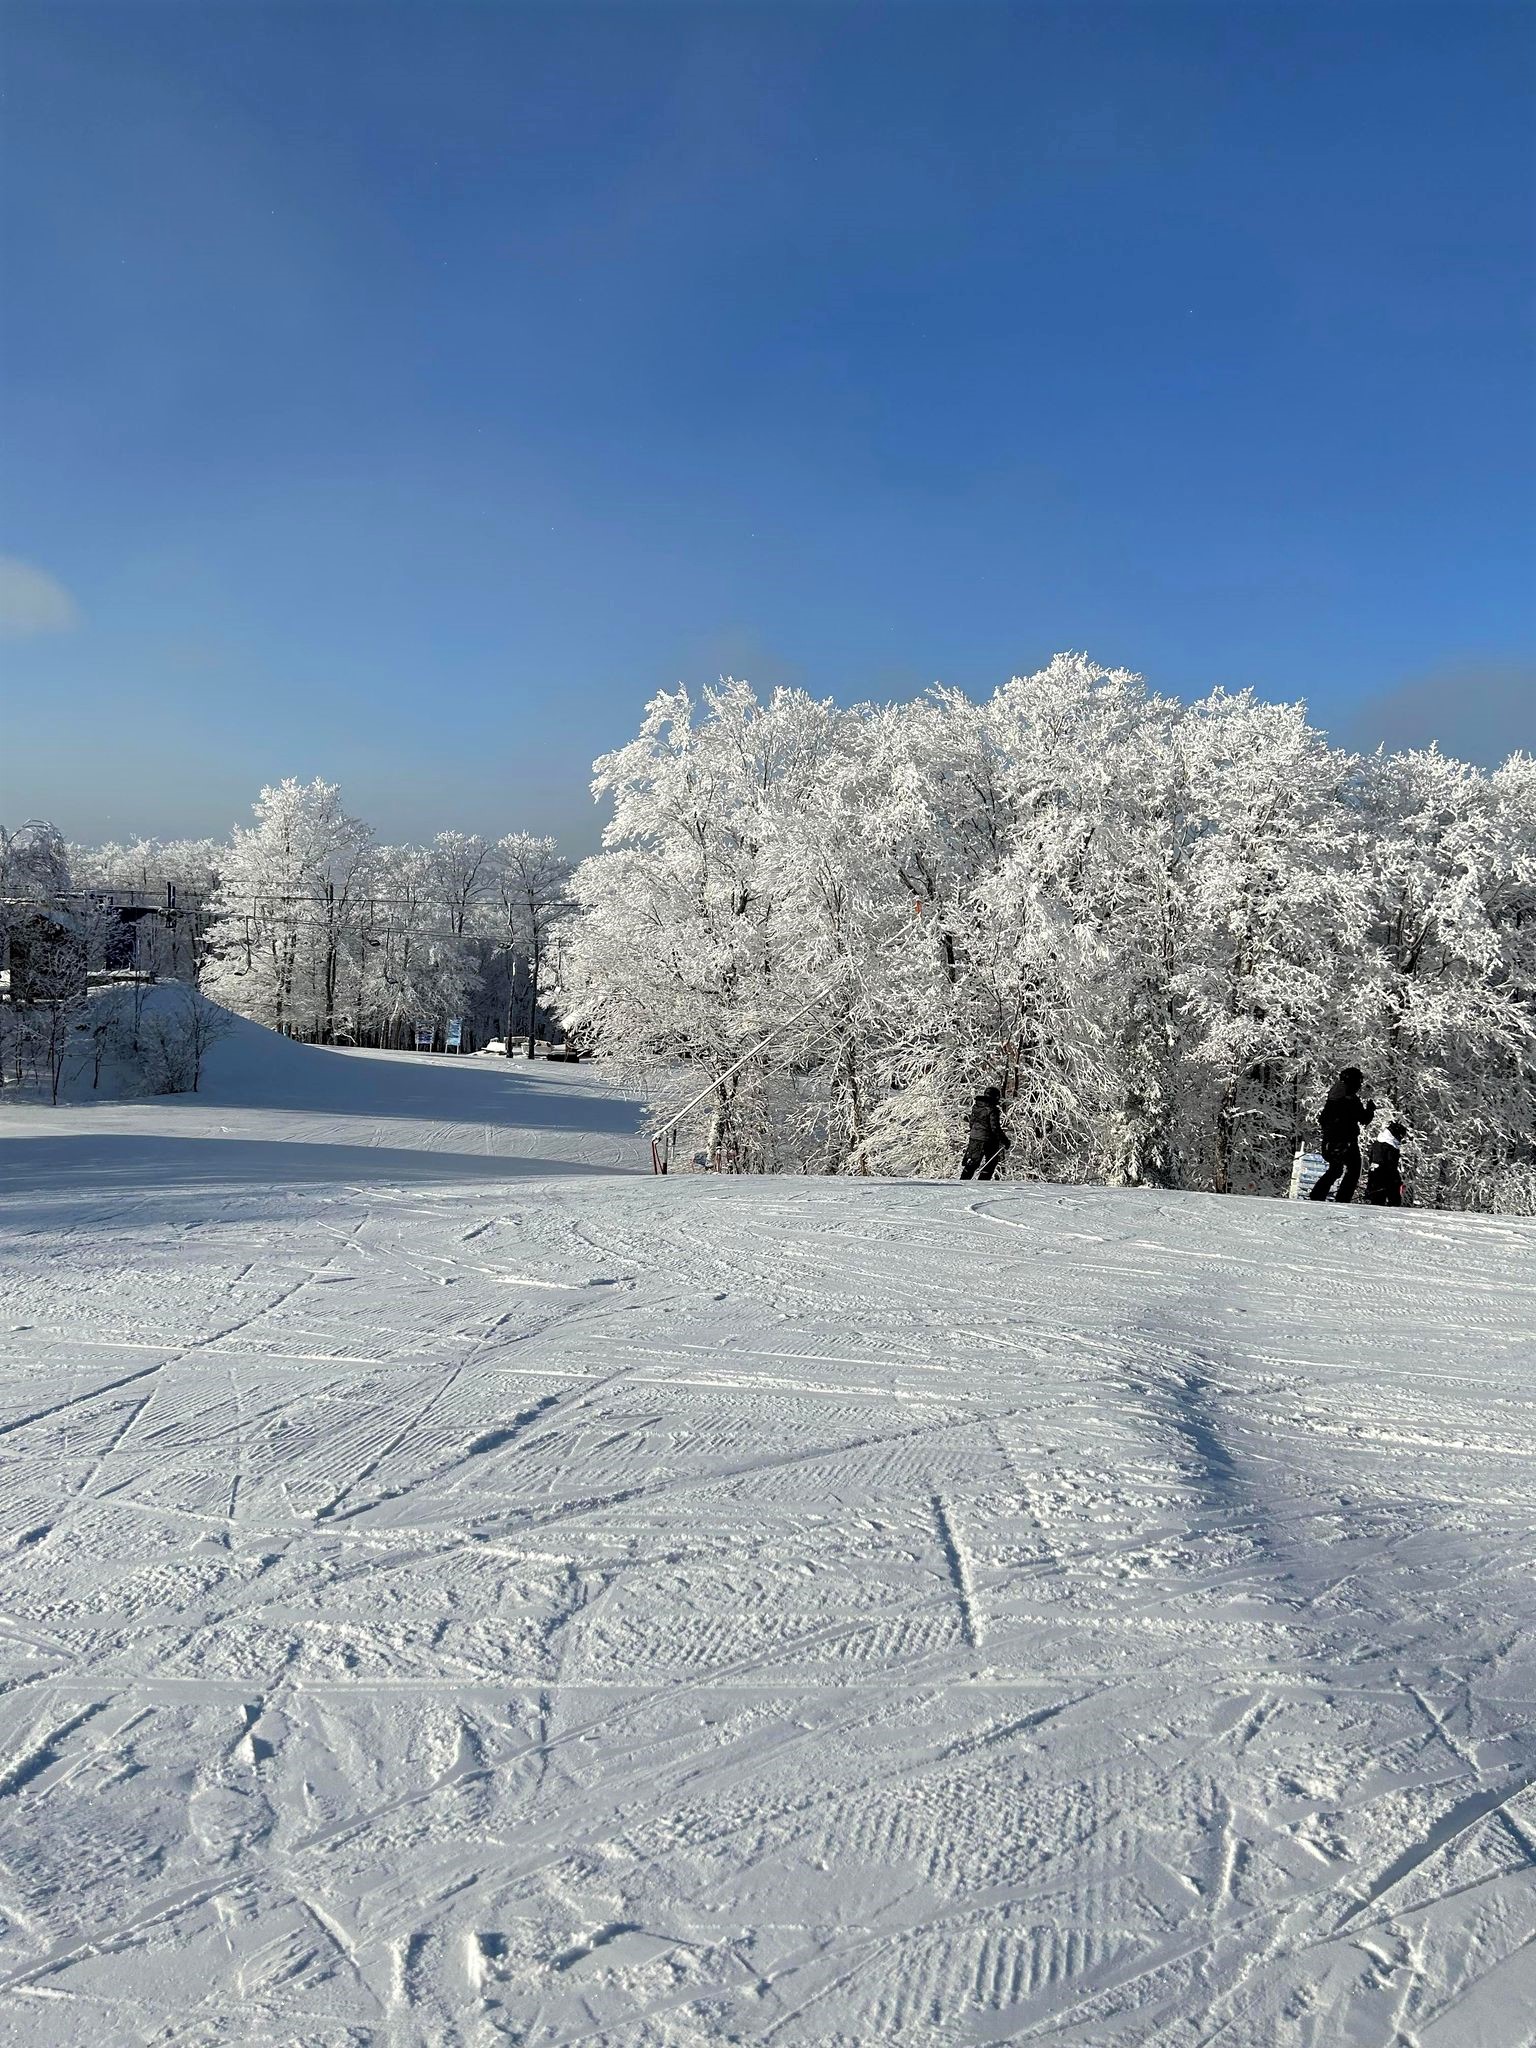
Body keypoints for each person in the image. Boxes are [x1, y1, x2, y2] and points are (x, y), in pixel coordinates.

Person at [1309, 1066, 1375, 1203]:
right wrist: (1370, 1110)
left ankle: (1316, 1196)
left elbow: (1322, 1119)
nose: (1360, 1085)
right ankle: (1342, 1199)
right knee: (1354, 1169)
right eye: (1359, 1082)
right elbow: (1363, 1119)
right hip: (1346, 1140)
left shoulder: (1334, 1096)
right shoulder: (1350, 1098)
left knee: (1336, 1169)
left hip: (1330, 1140)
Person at [960, 1086, 1010, 1180]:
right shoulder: (992, 1109)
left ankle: (963, 1181)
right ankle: (983, 1183)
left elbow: (971, 1124)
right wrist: (1004, 1140)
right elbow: (995, 1127)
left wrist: (975, 1133)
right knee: (991, 1162)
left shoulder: (976, 1107)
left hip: (974, 1138)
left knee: (972, 1162)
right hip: (987, 1140)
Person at [1364, 1120, 1408, 1207]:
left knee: (1376, 1203)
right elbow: (1391, 1166)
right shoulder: (1390, 1147)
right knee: (1394, 1202)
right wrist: (1397, 1180)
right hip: (1385, 1178)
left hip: (1374, 1177)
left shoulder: (1378, 1143)